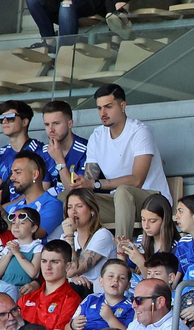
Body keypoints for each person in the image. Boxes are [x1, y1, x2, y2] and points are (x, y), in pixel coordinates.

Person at [71, 85, 170, 240]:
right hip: (119, 204)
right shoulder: (96, 136)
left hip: (152, 201)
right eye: (99, 108)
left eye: (108, 107)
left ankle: (121, 250)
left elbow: (137, 180)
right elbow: (89, 181)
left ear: (123, 106)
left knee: (124, 191)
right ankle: (77, 246)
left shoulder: (139, 131)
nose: (103, 113)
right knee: (71, 199)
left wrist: (95, 184)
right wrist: (80, 183)